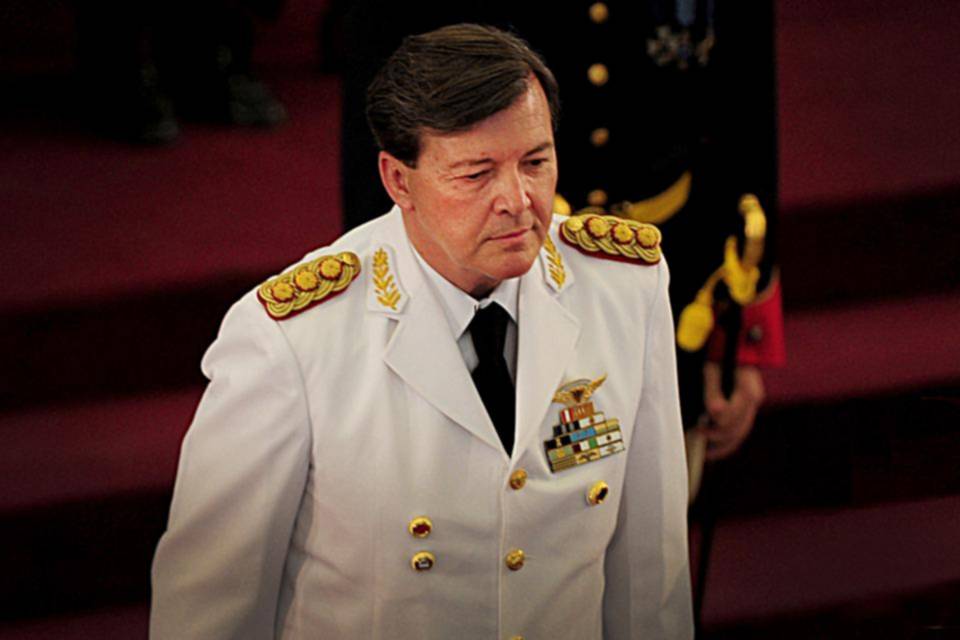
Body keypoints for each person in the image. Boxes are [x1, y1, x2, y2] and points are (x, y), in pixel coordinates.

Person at [151, 24, 693, 639]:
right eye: (476, 174)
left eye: (535, 162)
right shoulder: (293, 338)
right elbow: (208, 609)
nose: (518, 199)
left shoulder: (623, 287)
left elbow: (652, 576)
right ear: (398, 181)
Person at [339, 4, 786, 499]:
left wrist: (741, 328)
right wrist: (390, 318)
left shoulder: (648, 282)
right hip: (478, 276)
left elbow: (745, 101)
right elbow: (385, 125)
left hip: (677, 269)